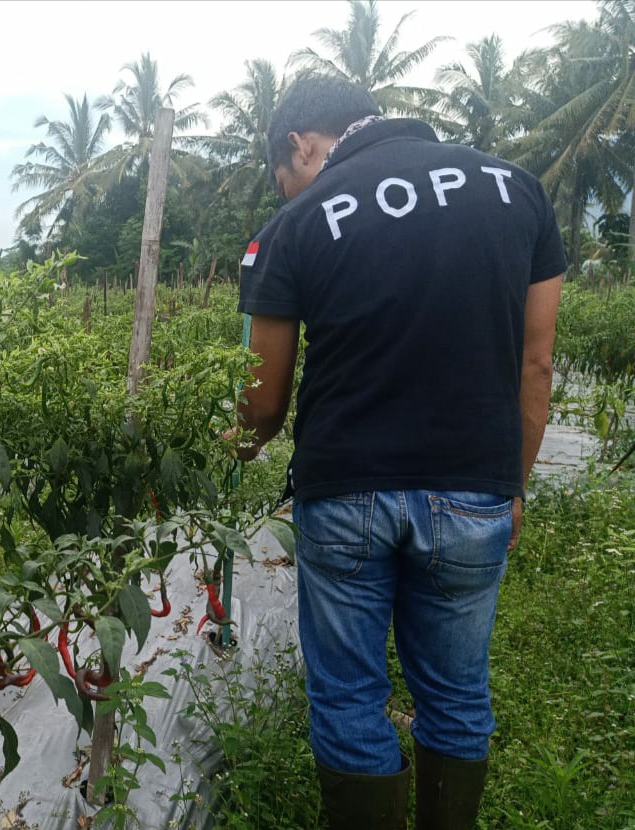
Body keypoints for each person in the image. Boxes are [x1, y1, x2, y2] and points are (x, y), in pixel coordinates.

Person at [232, 76, 565, 829]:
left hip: (346, 491)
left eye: (284, 178)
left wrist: (234, 444)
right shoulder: (517, 192)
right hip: (474, 486)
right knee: (455, 693)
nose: (288, 191)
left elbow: (263, 403)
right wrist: (510, 485)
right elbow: (536, 364)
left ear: (300, 144)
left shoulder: (299, 222)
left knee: (348, 696)